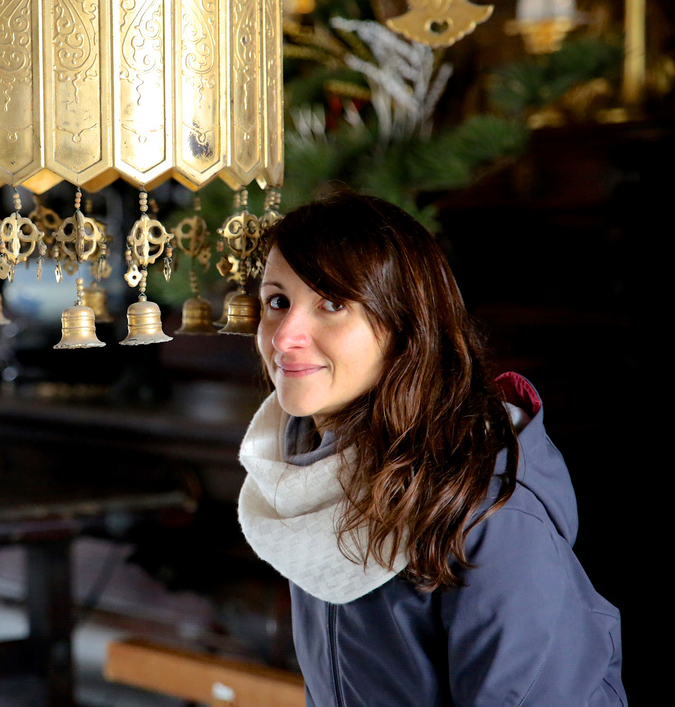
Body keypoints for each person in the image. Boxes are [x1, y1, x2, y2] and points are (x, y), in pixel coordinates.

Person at [238, 188, 624, 706]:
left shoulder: (487, 510)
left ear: (406, 327)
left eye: (332, 304)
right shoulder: (308, 480)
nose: (284, 337)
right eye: (277, 301)